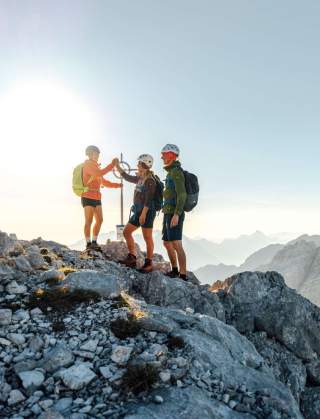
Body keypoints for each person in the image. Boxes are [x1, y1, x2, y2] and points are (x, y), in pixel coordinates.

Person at [115, 154, 157, 272]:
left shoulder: (150, 180)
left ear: (144, 165)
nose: (137, 165)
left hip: (147, 212)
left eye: (139, 163)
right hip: (138, 211)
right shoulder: (140, 178)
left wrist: (143, 214)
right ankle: (132, 258)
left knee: (147, 237)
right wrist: (117, 166)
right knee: (127, 232)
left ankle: (148, 263)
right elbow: (127, 177)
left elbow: (149, 199)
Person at [81, 145, 122, 251]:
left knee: (100, 220)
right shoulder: (88, 165)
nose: (98, 156)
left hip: (97, 197)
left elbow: (104, 182)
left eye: (98, 154)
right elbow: (99, 173)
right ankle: (88, 244)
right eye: (96, 154)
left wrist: (117, 185)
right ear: (90, 154)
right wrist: (112, 165)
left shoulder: (96, 166)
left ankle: (94, 241)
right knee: (89, 221)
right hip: (87, 196)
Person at [161, 144, 188, 280]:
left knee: (177, 244)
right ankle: (175, 270)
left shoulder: (176, 172)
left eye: (164, 155)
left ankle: (183, 275)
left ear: (171, 155)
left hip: (174, 213)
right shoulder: (170, 172)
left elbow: (182, 194)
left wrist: (177, 214)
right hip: (167, 212)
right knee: (167, 242)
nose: (162, 157)